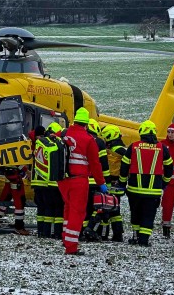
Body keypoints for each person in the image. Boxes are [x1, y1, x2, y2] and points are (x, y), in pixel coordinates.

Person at [58, 108, 107, 255]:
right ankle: (71, 247)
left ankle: (66, 238)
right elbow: (95, 164)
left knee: (67, 209)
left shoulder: (63, 134)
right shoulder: (88, 139)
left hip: (62, 180)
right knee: (77, 212)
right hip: (79, 180)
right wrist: (101, 183)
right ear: (86, 124)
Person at [118, 120, 173, 247]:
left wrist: (122, 182)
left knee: (136, 213)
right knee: (148, 215)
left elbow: (124, 166)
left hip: (134, 190)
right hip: (153, 191)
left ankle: (135, 236)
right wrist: (164, 183)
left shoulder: (134, 146)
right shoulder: (161, 148)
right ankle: (144, 240)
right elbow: (169, 167)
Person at [81, 119, 115, 242]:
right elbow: (104, 166)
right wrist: (106, 183)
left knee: (85, 210)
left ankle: (82, 233)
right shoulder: (99, 143)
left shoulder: (80, 140)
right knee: (98, 209)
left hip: (81, 181)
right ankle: (90, 229)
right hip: (95, 183)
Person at [32, 122, 64, 239]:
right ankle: (56, 233)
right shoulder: (54, 144)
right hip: (51, 183)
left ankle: (42, 232)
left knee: (42, 210)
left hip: (37, 183)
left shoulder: (39, 143)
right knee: (56, 209)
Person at [98, 124, 128, 242]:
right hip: (118, 182)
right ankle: (117, 234)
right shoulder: (122, 148)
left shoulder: (115, 150)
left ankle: (104, 235)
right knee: (115, 209)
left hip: (110, 182)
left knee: (106, 208)